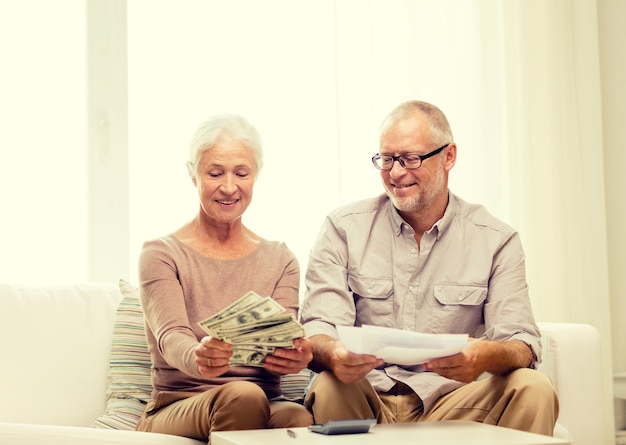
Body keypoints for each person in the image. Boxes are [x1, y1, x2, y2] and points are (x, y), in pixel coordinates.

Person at [300, 100, 559, 435]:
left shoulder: (496, 240)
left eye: (410, 159)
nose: (395, 173)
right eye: (386, 159)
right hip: (366, 397)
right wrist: (334, 353)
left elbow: (522, 344)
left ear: (448, 157)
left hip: (451, 402)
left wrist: (484, 356)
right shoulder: (343, 228)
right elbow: (319, 327)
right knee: (329, 384)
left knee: (533, 387)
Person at [136, 114, 313, 442]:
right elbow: (171, 336)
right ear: (193, 175)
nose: (229, 187)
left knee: (298, 417)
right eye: (215, 173)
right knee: (243, 395)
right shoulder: (161, 253)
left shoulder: (281, 258)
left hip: (262, 401)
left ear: (255, 175)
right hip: (180, 403)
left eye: (241, 173)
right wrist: (199, 357)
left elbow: (278, 343)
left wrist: (293, 358)